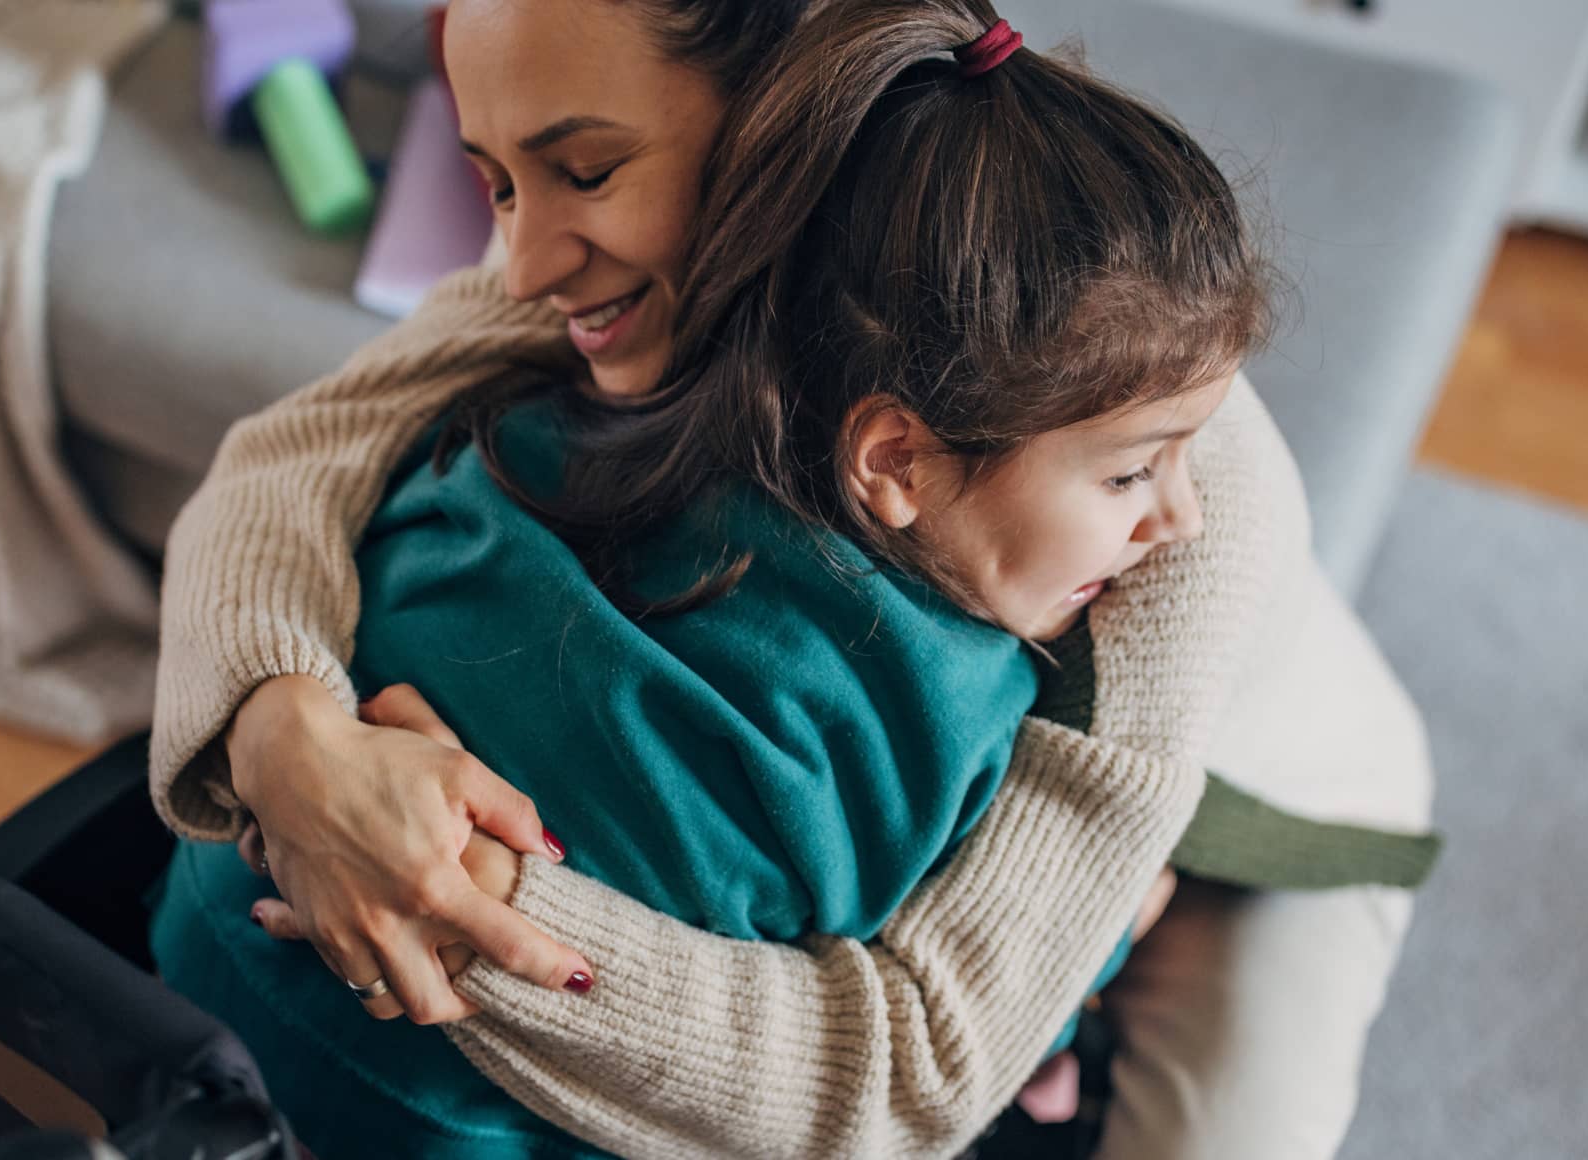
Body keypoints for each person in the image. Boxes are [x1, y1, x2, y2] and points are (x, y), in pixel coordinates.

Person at [149, 1, 1434, 1156]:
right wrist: (286, 740)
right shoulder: (628, 254)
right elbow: (291, 457)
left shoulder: (1172, 520)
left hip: (1233, 796)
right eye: (493, 182)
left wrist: (465, 900)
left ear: (772, 121)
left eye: (586, 167)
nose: (526, 267)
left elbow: (908, 1080)